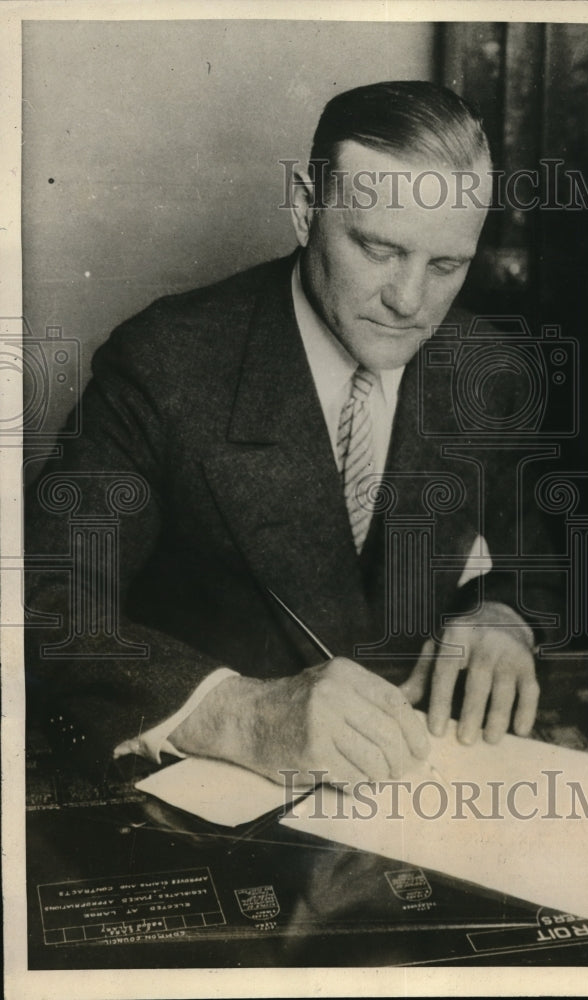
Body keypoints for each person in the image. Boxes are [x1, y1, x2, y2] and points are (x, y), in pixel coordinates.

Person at [25, 81, 556, 789]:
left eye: (446, 266)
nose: (409, 302)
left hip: (416, 786)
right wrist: (237, 714)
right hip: (211, 802)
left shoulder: (485, 367)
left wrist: (504, 614)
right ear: (305, 207)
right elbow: (42, 599)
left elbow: (540, 555)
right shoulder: (167, 361)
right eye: (378, 249)